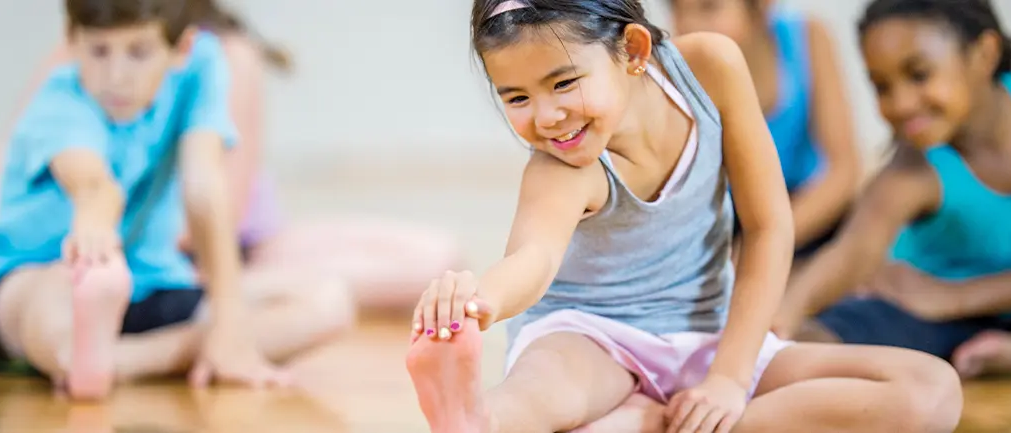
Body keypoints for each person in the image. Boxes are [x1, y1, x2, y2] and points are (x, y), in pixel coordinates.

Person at [404, 1, 963, 432]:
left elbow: (768, 224)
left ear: (634, 50)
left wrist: (728, 379)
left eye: (564, 82)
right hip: (592, 336)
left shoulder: (711, 66)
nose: (547, 117)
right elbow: (533, 258)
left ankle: (652, 422)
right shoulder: (560, 168)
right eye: (516, 98)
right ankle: (478, 421)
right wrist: (477, 304)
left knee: (931, 389)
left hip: (706, 332)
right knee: (539, 393)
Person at [0, 0, 461, 332]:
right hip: (121, 243)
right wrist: (3, 252)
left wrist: (207, 274)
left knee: (438, 259)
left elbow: (220, 198)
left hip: (224, 246)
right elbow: (17, 150)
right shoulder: (90, 44)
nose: (119, 69)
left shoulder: (225, 56)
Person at [0, 0, 351, 400]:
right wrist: (95, 233)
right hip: (39, 275)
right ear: (72, 42)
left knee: (327, 301)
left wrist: (229, 325)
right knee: (46, 301)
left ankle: (112, 362)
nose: (116, 75)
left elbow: (203, 185)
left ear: (180, 48)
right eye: (99, 51)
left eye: (138, 53)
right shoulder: (60, 101)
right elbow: (92, 184)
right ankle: (96, 350)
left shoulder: (203, 65)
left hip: (151, 281)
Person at [771, 0, 1011, 380]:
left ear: (985, 53)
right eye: (881, 86)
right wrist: (781, 320)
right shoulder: (913, 169)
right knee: (836, 334)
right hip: (932, 310)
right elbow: (849, 253)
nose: (901, 103)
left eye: (919, 74)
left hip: (995, 299)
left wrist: (954, 297)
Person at [668, 0, 861, 261]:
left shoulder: (807, 37)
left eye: (709, 7)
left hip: (809, 211)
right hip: (733, 223)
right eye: (676, 9)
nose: (687, 24)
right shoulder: (680, 70)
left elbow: (843, 173)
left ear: (762, 7)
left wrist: (763, 245)